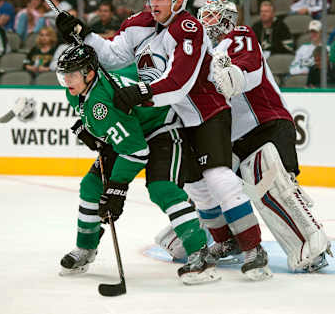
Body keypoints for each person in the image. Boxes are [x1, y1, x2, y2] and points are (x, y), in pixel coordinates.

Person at [56, 0, 270, 281]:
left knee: (219, 179)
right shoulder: (140, 25)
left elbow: (179, 82)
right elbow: (113, 58)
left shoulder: (187, 28)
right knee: (197, 188)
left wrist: (142, 93)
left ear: (179, 2)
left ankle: (254, 248)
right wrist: (83, 36)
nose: (154, 3)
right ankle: (223, 242)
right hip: (174, 117)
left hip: (205, 111)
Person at [57, 44, 219, 285]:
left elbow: (137, 151)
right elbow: (122, 133)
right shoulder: (77, 91)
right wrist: (95, 135)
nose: (66, 80)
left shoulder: (103, 103)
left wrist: (116, 188)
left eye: (71, 74)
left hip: (163, 129)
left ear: (89, 73)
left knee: (162, 188)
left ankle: (200, 254)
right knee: (90, 187)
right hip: (134, 132)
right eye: (63, 75)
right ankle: (85, 249)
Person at [196, 0, 332, 272]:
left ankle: (311, 246)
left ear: (226, 19)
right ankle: (225, 239)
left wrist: (234, 73)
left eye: (212, 16)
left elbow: (250, 70)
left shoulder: (238, 36)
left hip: (266, 126)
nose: (205, 21)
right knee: (204, 183)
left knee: (271, 186)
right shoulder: (201, 56)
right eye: (204, 15)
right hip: (234, 139)